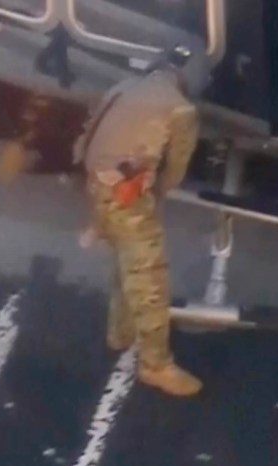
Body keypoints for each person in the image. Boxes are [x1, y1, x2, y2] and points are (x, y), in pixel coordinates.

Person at [72, 45, 202, 397]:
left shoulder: (123, 86)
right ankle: (156, 366)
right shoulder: (182, 109)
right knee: (149, 281)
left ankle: (121, 332)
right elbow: (175, 168)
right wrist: (155, 195)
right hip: (127, 195)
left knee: (123, 262)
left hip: (98, 184)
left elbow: (86, 139)